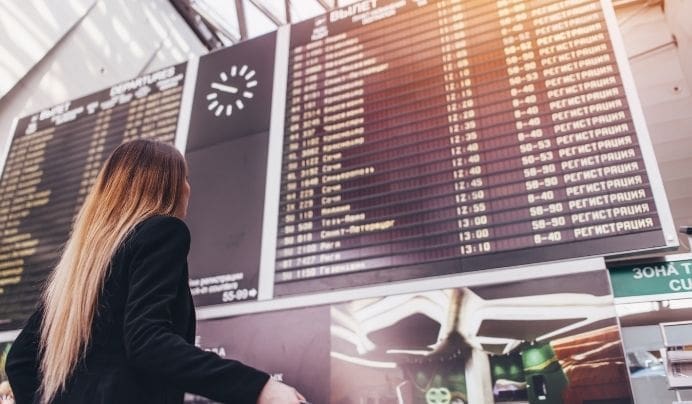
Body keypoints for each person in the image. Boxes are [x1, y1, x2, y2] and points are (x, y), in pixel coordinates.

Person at [5, 139, 304, 404]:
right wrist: (259, 389)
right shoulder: (164, 232)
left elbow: (19, 360)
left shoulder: (82, 264)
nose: (189, 188)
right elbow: (148, 342)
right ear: (167, 184)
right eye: (184, 177)